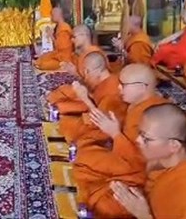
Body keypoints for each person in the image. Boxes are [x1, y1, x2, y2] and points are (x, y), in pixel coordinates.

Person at [72, 64, 168, 217]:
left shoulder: (154, 115)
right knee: (84, 155)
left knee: (104, 201)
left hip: (139, 172)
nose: (118, 88)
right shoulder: (132, 105)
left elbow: (142, 160)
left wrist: (115, 134)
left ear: (142, 87)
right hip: (125, 160)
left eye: (124, 85)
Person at [56, 52, 124, 145]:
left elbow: (102, 122)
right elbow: (93, 95)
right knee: (65, 120)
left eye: (86, 71)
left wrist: (85, 99)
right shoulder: (106, 79)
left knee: (71, 131)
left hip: (105, 129)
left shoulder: (112, 92)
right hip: (96, 115)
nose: (86, 75)